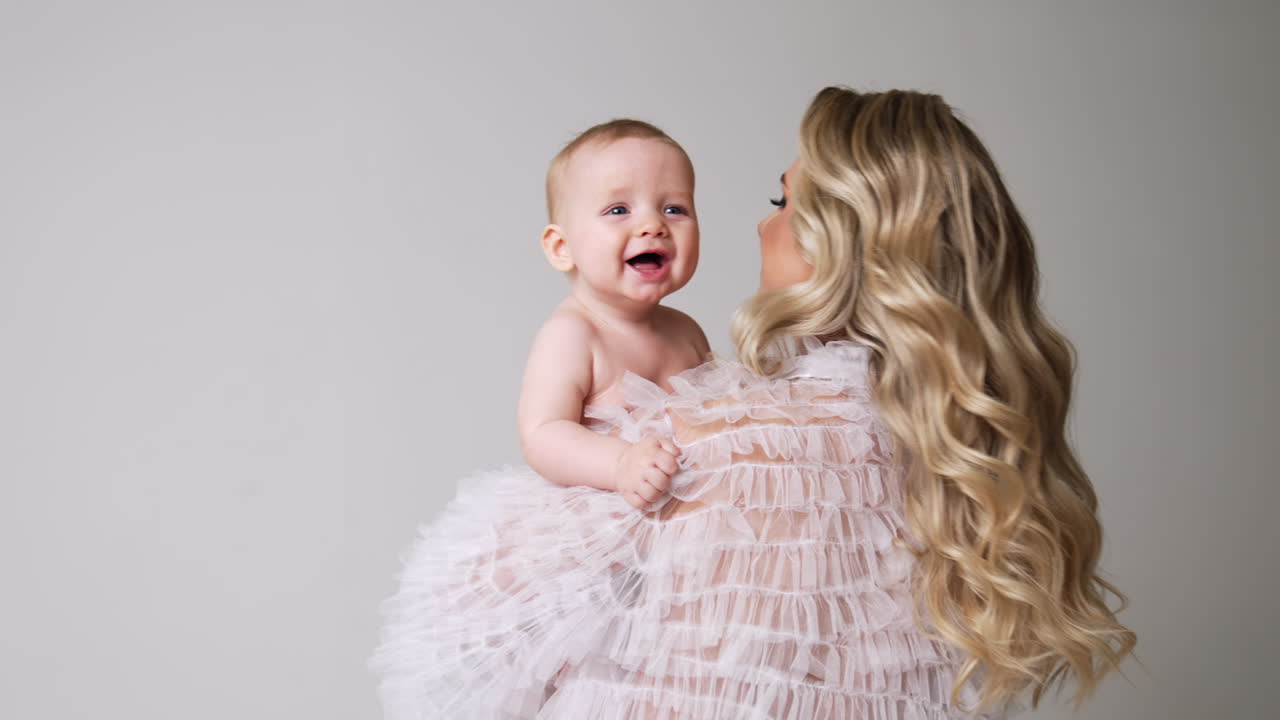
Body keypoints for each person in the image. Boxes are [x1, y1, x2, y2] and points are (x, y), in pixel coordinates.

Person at [371, 87, 1137, 719]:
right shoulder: (936, 458)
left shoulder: (724, 441)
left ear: (837, 240)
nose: (759, 222)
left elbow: (464, 636)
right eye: (618, 211)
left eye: (781, 200)